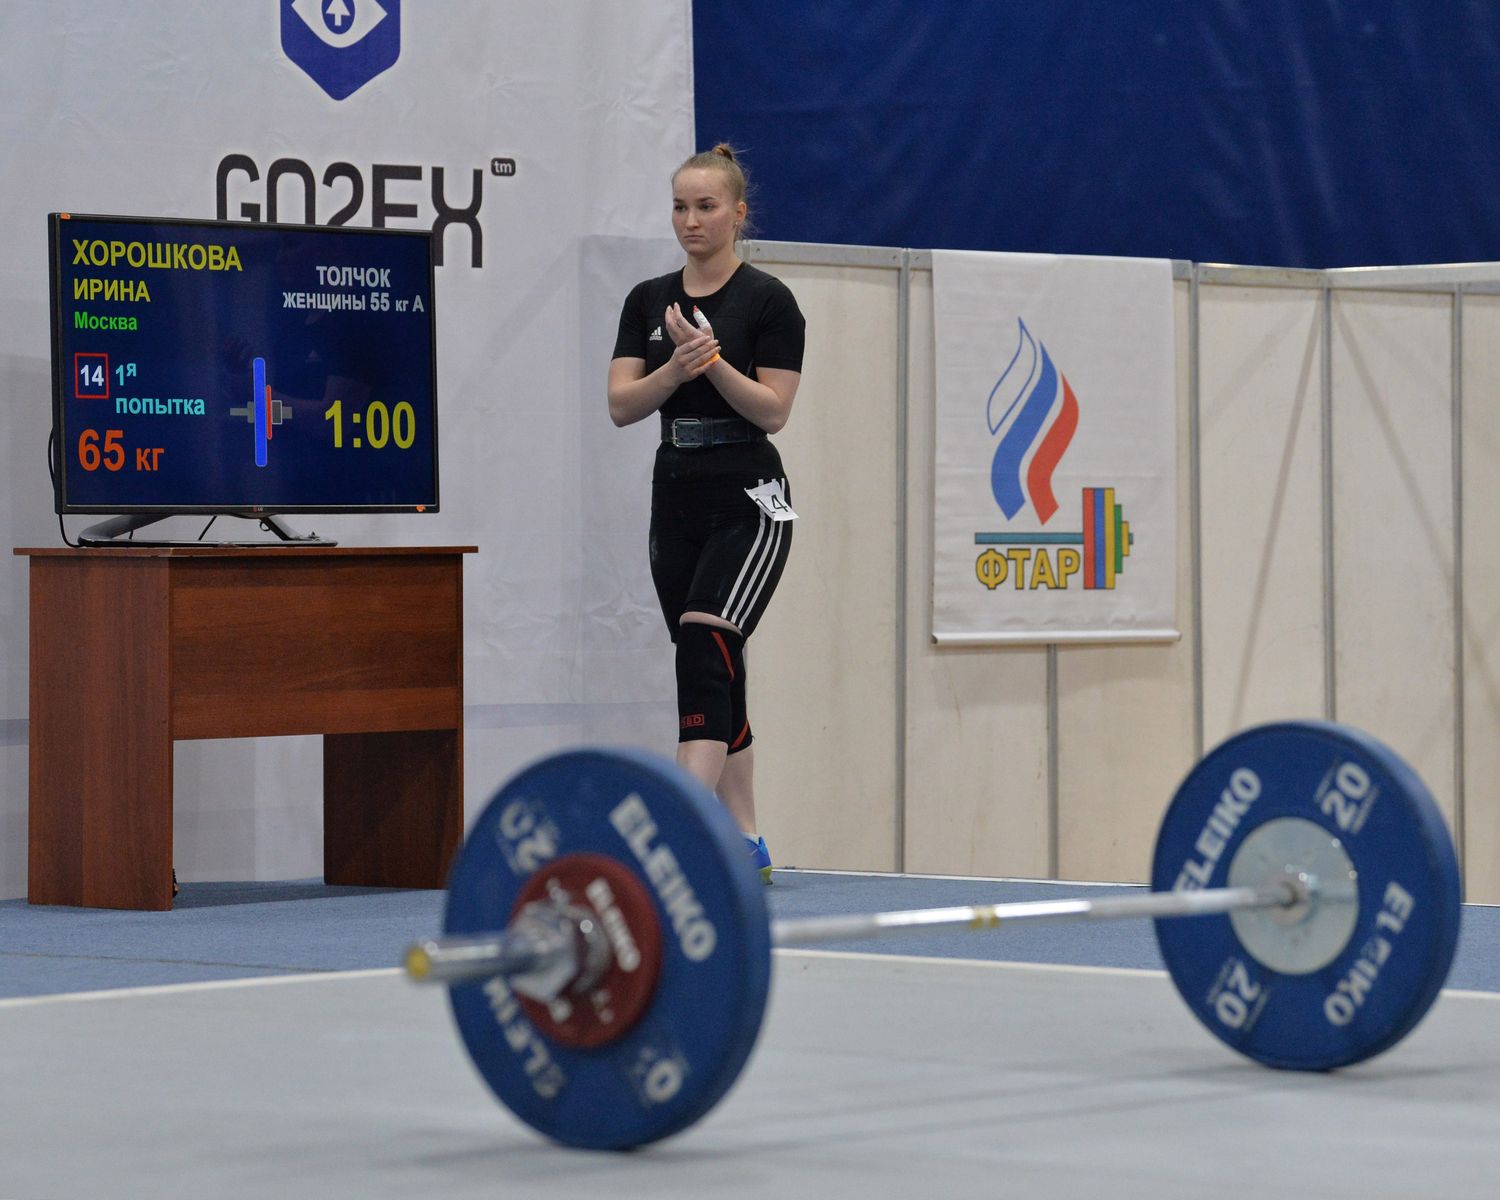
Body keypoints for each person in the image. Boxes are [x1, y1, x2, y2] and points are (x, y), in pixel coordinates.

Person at [607, 143, 805, 884]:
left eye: (707, 207)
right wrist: (674, 367)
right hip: (677, 493)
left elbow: (774, 411)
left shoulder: (768, 300)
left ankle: (680, 829)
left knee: (704, 643)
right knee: (714, 666)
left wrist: (713, 361)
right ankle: (745, 839)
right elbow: (622, 404)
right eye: (680, 207)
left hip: (750, 498)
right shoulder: (648, 299)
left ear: (738, 214)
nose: (691, 221)